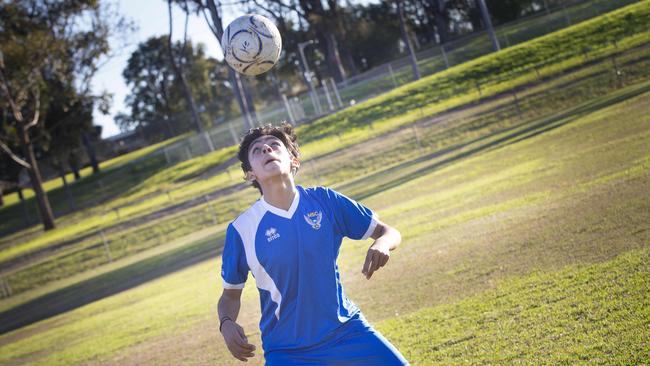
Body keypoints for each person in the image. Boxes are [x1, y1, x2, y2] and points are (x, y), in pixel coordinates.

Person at [218, 123, 408, 365]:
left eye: (275, 145)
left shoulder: (324, 201)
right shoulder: (242, 229)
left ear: (294, 160)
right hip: (288, 352)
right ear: (250, 174)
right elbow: (230, 296)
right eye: (257, 150)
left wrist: (381, 243)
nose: (266, 149)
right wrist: (226, 323)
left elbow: (389, 231)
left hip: (347, 332)